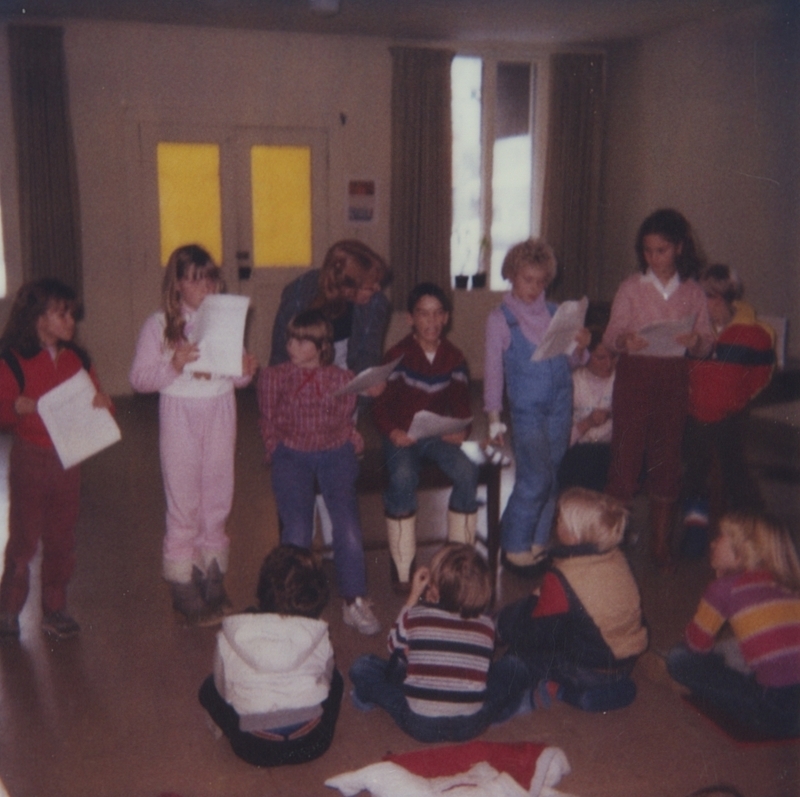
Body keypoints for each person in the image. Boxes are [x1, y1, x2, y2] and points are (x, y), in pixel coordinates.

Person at [129, 244, 257, 624]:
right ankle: (182, 581)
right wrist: (173, 364)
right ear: (177, 285)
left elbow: (237, 376)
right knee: (184, 497)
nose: (205, 287)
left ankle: (211, 574)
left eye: (210, 279)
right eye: (194, 280)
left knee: (217, 494)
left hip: (220, 410)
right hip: (180, 414)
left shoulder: (226, 320)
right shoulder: (158, 325)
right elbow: (139, 379)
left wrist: (247, 370)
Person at [0, 278, 113, 639]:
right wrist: (12, 407)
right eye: (61, 314)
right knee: (24, 539)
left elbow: (95, 397)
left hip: (68, 459)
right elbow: (2, 409)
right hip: (30, 457)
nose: (70, 321)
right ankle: (8, 609)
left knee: (61, 538)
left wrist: (102, 402)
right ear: (37, 317)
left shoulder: (77, 359)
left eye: (71, 314)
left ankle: (55, 607)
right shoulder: (12, 359)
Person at [257, 308, 380, 635]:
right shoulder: (274, 377)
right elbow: (268, 419)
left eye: (302, 341)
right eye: (290, 339)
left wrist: (350, 439)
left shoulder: (342, 379)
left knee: (347, 524)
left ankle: (354, 599)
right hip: (292, 453)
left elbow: (344, 418)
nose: (293, 347)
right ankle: (291, 605)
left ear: (321, 345)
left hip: (334, 451)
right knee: (297, 528)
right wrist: (275, 449)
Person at [603, 209, 714, 565]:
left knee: (666, 456)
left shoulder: (693, 292)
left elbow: (708, 342)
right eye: (648, 250)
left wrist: (696, 340)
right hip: (635, 377)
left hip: (673, 379)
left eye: (662, 250)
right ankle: (612, 545)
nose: (654, 257)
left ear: (679, 248)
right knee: (626, 455)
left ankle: (660, 543)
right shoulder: (631, 287)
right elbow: (611, 335)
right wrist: (625, 340)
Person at [349, 544, 529, 743]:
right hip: (471, 725)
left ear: (435, 589)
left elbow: (392, 646)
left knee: (363, 667)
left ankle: (366, 697)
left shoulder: (416, 614)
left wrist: (413, 596)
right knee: (514, 667)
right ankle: (508, 709)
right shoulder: (487, 625)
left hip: (420, 724)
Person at [484, 238, 589, 571]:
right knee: (535, 477)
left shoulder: (557, 312)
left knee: (553, 475)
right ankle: (513, 543)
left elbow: (572, 363)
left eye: (540, 280)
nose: (533, 287)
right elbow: (492, 372)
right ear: (512, 276)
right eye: (527, 279)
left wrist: (582, 347)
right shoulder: (501, 319)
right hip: (527, 410)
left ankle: (538, 540)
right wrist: (493, 418)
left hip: (561, 403)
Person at [496, 487, 648, 712]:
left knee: (520, 656)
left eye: (560, 519)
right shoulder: (615, 556)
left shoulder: (564, 578)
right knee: (549, 612)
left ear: (574, 535)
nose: (555, 521)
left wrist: (510, 625)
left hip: (589, 669)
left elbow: (537, 629)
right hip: (624, 661)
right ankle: (612, 688)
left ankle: (569, 691)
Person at [373, 282, 479, 592]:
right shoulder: (398, 355)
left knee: (467, 471)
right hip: (402, 436)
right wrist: (392, 431)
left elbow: (460, 402)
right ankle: (403, 565)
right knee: (404, 475)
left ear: (446, 317)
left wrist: (461, 430)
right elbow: (380, 405)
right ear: (410, 319)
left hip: (435, 436)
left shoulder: (454, 357)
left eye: (437, 314)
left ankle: (460, 560)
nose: (431, 322)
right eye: (423, 314)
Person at [198, 544, 344, 766]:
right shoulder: (319, 633)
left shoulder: (230, 634)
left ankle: (227, 725)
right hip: (313, 744)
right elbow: (327, 678)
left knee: (208, 689)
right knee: (338, 681)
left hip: (254, 749)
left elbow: (222, 688)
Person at [667, 511, 800, 739]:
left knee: (679, 658)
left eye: (720, 537)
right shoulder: (789, 582)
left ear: (743, 551)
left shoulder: (725, 588)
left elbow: (696, 645)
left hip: (778, 712)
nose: (712, 542)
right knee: (742, 647)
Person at [680, 264, 775, 558]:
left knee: (738, 475)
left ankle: (751, 534)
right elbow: (682, 370)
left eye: (709, 297)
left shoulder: (756, 334)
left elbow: (762, 375)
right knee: (693, 473)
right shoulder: (692, 330)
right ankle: (696, 530)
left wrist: (738, 399)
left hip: (733, 416)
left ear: (724, 298)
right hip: (695, 414)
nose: (706, 305)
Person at [269, 239, 391, 374]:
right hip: (301, 372)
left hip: (347, 374)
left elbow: (368, 352)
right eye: (371, 287)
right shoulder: (298, 295)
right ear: (347, 288)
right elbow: (280, 353)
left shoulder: (376, 302)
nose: (378, 289)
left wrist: (368, 378)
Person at [557, 330, 617, 493]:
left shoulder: (620, 381)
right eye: (600, 357)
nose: (608, 364)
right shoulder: (573, 382)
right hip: (579, 451)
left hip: (610, 451)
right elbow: (560, 440)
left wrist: (612, 415)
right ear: (587, 356)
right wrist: (587, 423)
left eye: (613, 357)